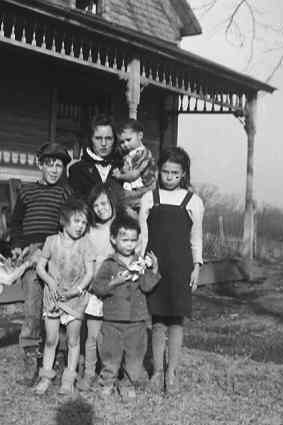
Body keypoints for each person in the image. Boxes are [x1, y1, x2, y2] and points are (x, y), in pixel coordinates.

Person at [138, 146, 204, 394]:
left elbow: (196, 238)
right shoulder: (149, 198)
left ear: (183, 174)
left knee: (176, 321)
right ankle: (156, 371)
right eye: (165, 172)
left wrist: (196, 267)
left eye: (175, 173)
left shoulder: (193, 201)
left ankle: (172, 372)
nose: (169, 177)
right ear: (159, 171)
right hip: (155, 266)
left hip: (180, 268)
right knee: (157, 321)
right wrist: (142, 263)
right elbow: (143, 237)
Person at [8, 142, 72, 386]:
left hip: (55, 252)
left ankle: (61, 357)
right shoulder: (26, 192)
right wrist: (17, 245)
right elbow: (16, 224)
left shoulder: (65, 193)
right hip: (32, 253)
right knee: (33, 309)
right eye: (50, 165)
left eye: (59, 166)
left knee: (58, 306)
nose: (55, 170)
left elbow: (68, 225)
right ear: (40, 165)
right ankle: (30, 360)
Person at [91, 214, 160, 399]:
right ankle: (107, 383)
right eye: (124, 239)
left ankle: (128, 384)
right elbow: (97, 287)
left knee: (135, 356)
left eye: (133, 240)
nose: (129, 244)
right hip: (112, 320)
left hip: (137, 321)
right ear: (114, 239)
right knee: (110, 355)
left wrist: (154, 271)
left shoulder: (140, 263)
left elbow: (146, 286)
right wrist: (114, 282)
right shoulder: (109, 264)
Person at [33, 198, 95, 395]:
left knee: (73, 340)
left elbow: (89, 273)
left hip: (74, 300)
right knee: (51, 339)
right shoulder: (51, 241)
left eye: (84, 223)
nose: (80, 226)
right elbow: (40, 267)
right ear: (63, 220)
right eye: (77, 221)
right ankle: (45, 377)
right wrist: (50, 282)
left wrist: (77, 290)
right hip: (53, 299)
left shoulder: (86, 243)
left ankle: (68, 378)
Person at [76, 184, 118, 391]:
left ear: (111, 200)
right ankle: (89, 372)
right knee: (92, 336)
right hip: (94, 291)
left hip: (116, 291)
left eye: (103, 203)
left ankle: (110, 374)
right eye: (96, 206)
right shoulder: (89, 231)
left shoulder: (121, 226)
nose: (101, 208)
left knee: (110, 336)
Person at [68, 114, 123, 200]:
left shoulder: (123, 167)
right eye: (98, 138)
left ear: (114, 140)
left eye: (108, 138)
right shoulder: (77, 170)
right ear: (90, 139)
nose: (103, 144)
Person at [112, 119, 157, 213]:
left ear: (140, 135)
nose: (125, 144)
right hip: (133, 192)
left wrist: (119, 176)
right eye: (122, 142)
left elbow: (134, 175)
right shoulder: (130, 154)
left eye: (128, 140)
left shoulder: (143, 154)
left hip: (142, 191)